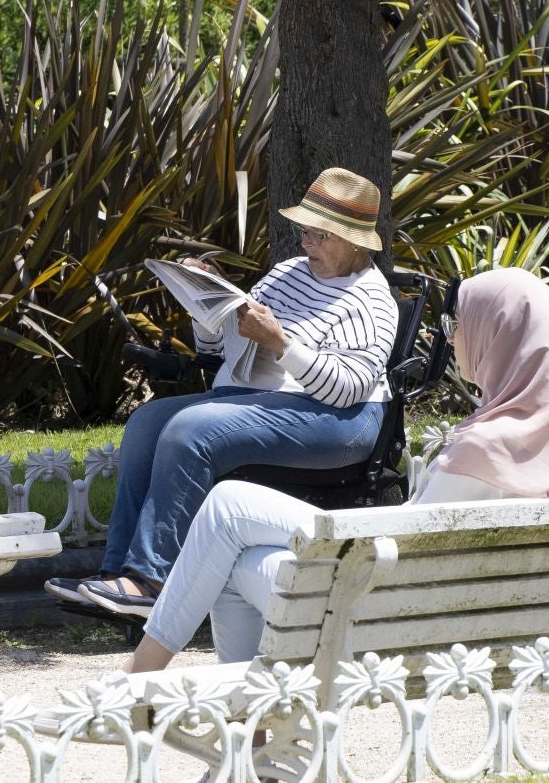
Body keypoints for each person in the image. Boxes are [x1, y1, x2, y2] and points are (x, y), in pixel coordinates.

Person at [123, 266, 549, 673]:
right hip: (468, 613)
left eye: (460, 323)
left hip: (389, 616)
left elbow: (400, 543)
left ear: (496, 334)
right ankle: (250, 745)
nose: (453, 337)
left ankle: (143, 682)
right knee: (229, 553)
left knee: (227, 510)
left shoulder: (487, 447)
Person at [44, 168, 400, 616]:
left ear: (355, 242)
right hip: (258, 400)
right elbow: (217, 348)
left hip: (338, 421)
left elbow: (346, 390)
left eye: (320, 236)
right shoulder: (289, 274)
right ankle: (116, 573)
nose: (307, 244)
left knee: (193, 428)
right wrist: (204, 307)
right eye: (305, 232)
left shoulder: (371, 301)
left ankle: (151, 580)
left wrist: (279, 343)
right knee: (148, 421)